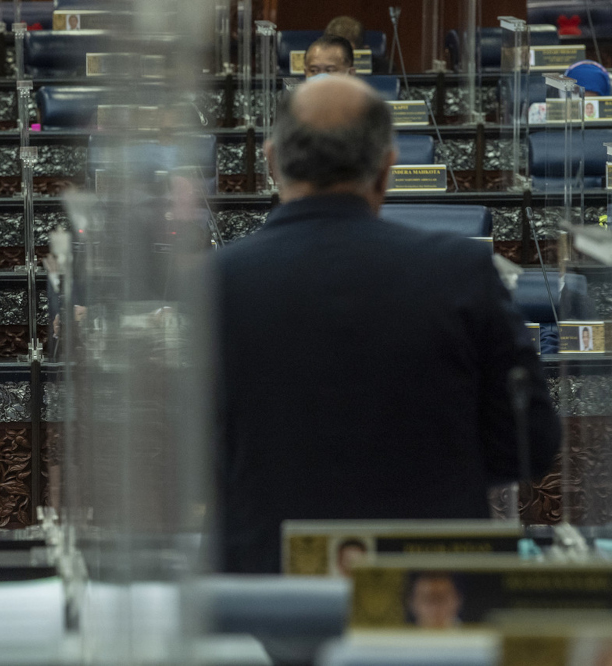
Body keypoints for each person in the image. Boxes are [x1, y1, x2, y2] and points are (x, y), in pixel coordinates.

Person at [213, 76, 561, 574]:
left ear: (271, 162)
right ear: (386, 169)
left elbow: (195, 454)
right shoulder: (458, 272)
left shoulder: (216, 284)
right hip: (431, 596)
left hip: (269, 600)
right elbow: (530, 444)